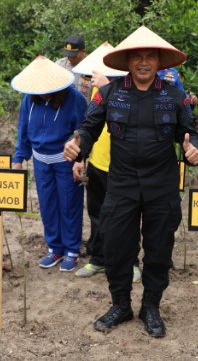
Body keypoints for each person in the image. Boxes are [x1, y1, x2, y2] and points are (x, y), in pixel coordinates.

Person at [63, 26, 198, 338]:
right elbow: (88, 128)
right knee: (116, 246)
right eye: (137, 57)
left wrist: (195, 151)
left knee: (158, 250)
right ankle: (121, 305)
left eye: (149, 57)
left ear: (158, 61)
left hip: (162, 185)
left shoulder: (175, 96)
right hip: (122, 183)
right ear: (127, 61)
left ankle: (150, 307)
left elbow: (192, 135)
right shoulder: (109, 93)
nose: (143, 62)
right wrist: (77, 147)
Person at [68, 42, 141, 282]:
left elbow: (132, 116)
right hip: (98, 162)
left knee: (128, 216)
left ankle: (130, 263)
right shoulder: (96, 91)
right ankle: (98, 259)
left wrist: (108, 88)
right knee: (97, 213)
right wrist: (81, 159)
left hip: (125, 165)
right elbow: (90, 126)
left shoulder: (133, 88)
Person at [11, 56, 87, 272]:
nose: (42, 91)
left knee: (69, 204)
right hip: (41, 162)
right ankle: (54, 247)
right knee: (47, 205)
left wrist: (80, 159)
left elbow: (84, 132)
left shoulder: (74, 98)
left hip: (66, 161)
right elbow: (23, 130)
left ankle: (72, 250)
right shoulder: (29, 99)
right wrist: (18, 159)